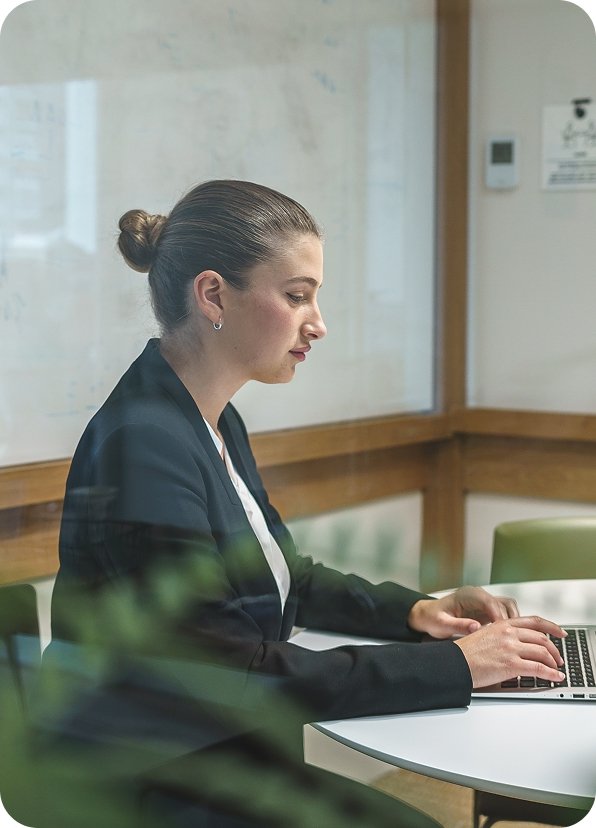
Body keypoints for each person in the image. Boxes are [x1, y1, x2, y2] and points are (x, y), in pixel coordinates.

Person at [49, 180, 567, 827]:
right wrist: (453, 665)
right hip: (143, 780)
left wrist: (417, 611)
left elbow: (287, 578)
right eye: (297, 296)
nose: (318, 324)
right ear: (212, 294)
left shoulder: (208, 419)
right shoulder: (143, 447)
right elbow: (236, 673)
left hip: (217, 755)